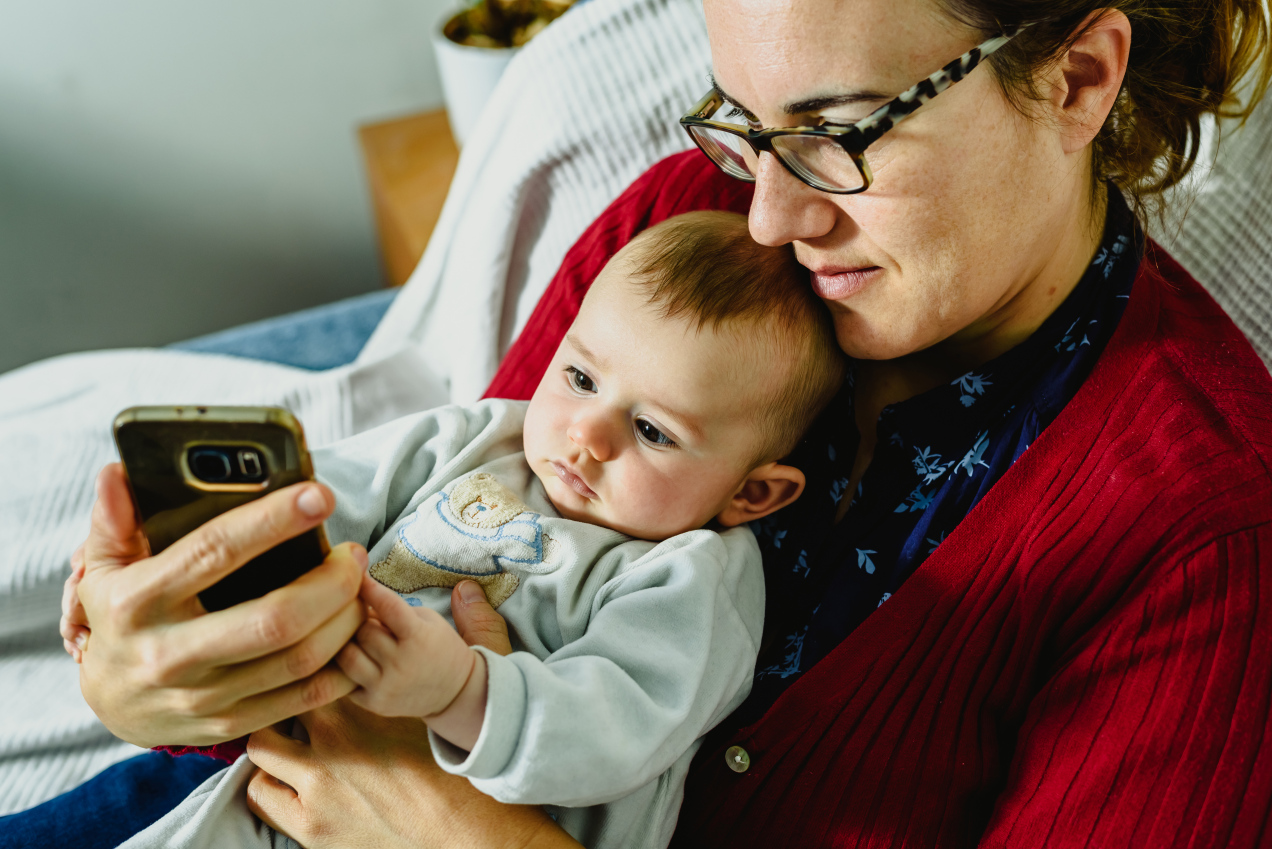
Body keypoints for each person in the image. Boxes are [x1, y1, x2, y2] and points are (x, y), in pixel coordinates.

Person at [18, 0, 1272, 846]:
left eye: (838, 134)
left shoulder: (1209, 544)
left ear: (1077, 77)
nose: (770, 215)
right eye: (745, 125)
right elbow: (461, 536)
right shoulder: (680, 226)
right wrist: (152, 673)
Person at [45, 211, 844, 849]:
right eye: (580, 376)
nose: (586, 434)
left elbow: (617, 724)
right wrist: (184, 546)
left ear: (752, 492)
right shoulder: (483, 436)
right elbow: (322, 497)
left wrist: (461, 691)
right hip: (265, 762)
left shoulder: (691, 572)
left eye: (653, 431)